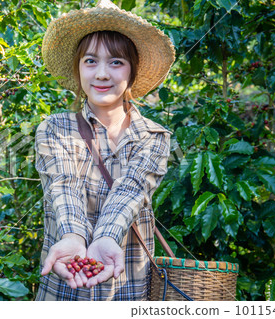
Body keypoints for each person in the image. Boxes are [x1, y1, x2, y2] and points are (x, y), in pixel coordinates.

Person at [34, 0, 175, 300]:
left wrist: (107, 237)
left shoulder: (153, 137)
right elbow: (64, 186)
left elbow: (130, 190)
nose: (101, 74)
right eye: (90, 61)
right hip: (64, 291)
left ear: (132, 72)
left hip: (127, 289)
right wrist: (73, 236)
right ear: (78, 68)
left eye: (115, 62)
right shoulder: (55, 129)